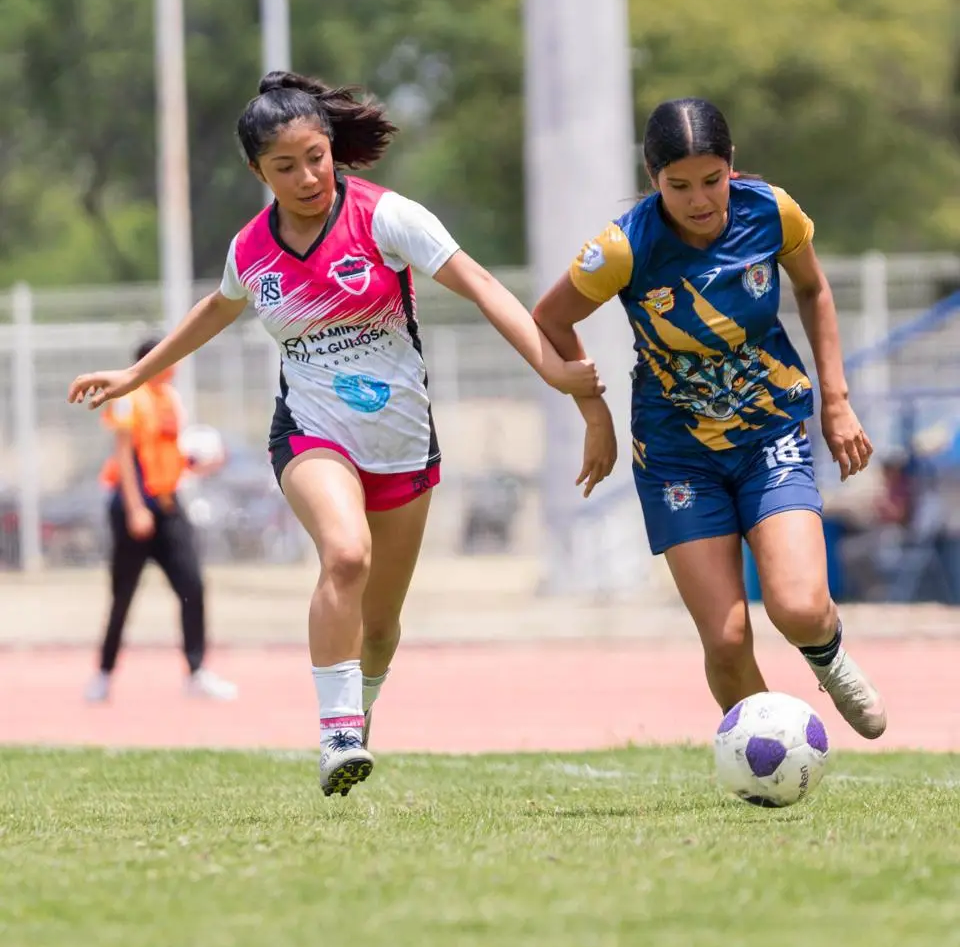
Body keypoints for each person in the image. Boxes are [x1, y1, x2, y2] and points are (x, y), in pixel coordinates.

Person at [68, 70, 603, 795]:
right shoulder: (253, 250)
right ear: (257, 171)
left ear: (332, 149)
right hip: (311, 435)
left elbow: (482, 286)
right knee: (344, 555)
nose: (307, 176)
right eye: (284, 167)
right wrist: (136, 376)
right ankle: (337, 736)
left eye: (315, 157)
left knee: (380, 629)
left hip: (403, 444)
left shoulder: (388, 218)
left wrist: (552, 370)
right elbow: (215, 310)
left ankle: (359, 716)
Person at [532, 97, 887, 740]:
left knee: (800, 608)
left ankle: (828, 658)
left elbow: (814, 288)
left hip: (769, 435)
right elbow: (550, 320)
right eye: (679, 186)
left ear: (732, 167)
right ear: (652, 178)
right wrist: (595, 415)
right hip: (676, 455)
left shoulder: (771, 211)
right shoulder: (623, 247)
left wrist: (835, 401)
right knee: (725, 640)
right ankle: (775, 753)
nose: (699, 199)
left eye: (712, 180)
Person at [85, 337, 237, 704]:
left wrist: (199, 464)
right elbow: (124, 455)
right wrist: (136, 508)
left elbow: (167, 455)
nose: (175, 364)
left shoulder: (169, 399)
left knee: (193, 586)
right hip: (134, 507)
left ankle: (196, 671)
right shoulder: (130, 396)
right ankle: (104, 674)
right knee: (123, 594)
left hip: (169, 506)